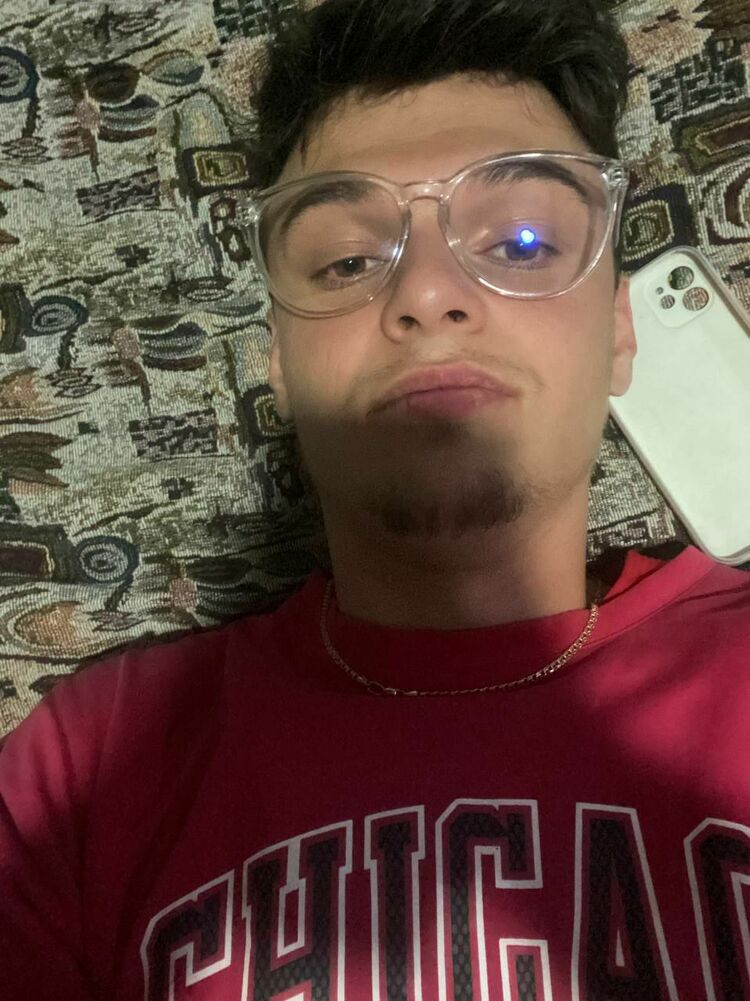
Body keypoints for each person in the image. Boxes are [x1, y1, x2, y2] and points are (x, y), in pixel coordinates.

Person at [1, 0, 749, 997]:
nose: (427, 294)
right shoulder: (86, 773)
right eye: (350, 261)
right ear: (278, 360)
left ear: (620, 329)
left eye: (522, 241)